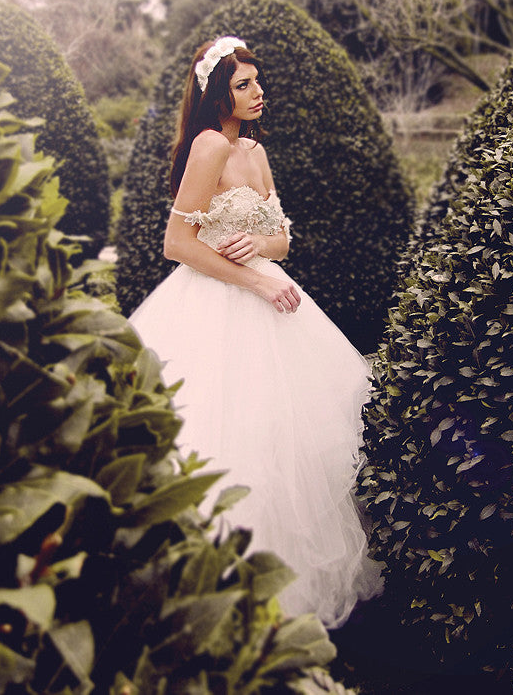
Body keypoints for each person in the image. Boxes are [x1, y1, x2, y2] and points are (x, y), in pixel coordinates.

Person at [128, 36, 382, 629]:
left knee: (287, 440)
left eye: (257, 81)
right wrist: (255, 281)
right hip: (217, 304)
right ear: (218, 95)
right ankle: (217, 589)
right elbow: (177, 244)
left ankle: (281, 591)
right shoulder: (210, 145)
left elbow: (282, 240)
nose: (258, 91)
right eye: (243, 84)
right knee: (227, 438)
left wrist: (261, 247)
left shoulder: (255, 151)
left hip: (271, 298)